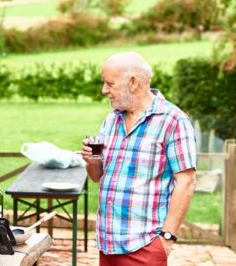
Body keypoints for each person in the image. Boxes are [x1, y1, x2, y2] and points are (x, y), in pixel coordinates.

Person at [81, 51, 196, 266]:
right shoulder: (111, 120)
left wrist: (166, 239)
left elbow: (187, 182)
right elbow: (97, 176)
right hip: (107, 244)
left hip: (144, 246)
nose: (104, 90)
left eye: (110, 83)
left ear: (133, 83)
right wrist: (92, 161)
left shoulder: (173, 120)